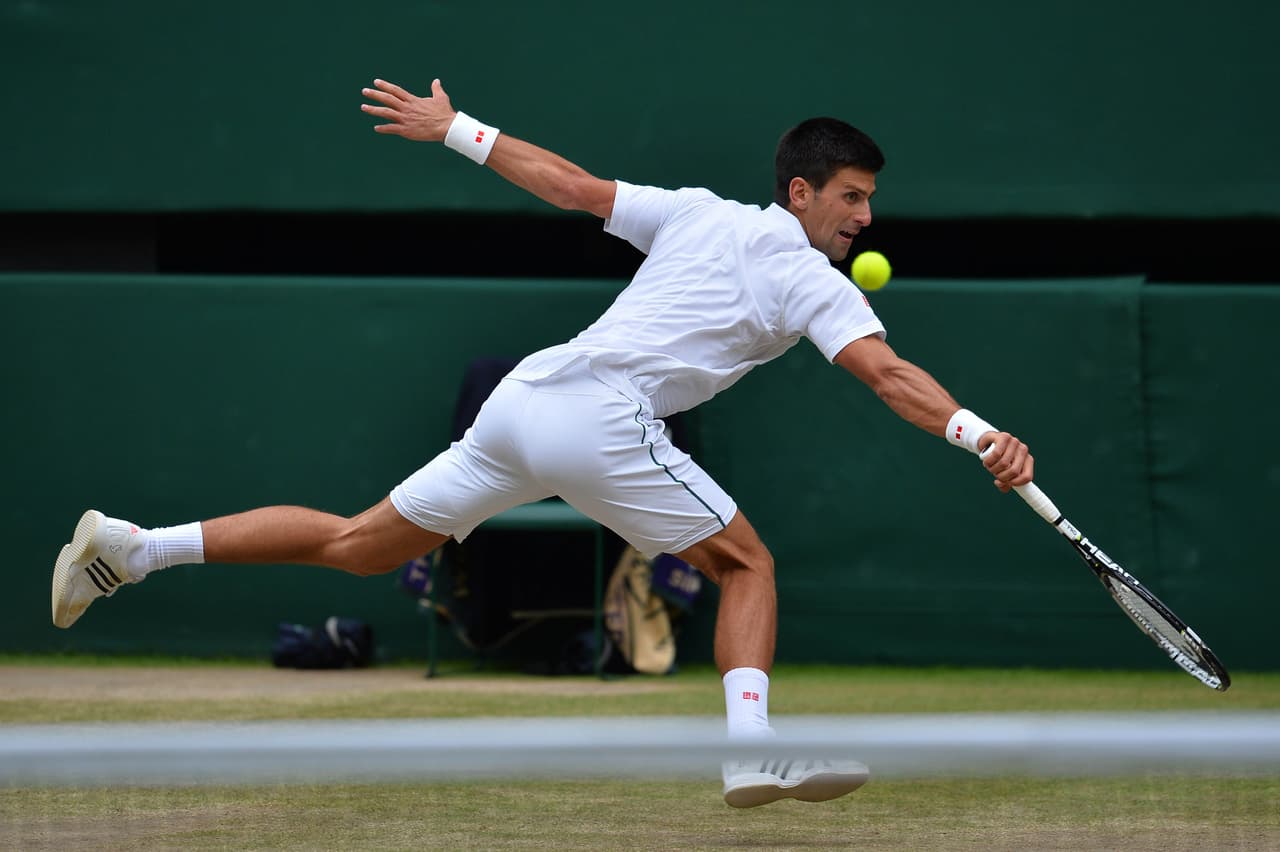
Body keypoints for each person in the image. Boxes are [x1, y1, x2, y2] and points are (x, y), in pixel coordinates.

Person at [51, 77, 1035, 808]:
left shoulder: (695, 213)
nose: (863, 217)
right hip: (600, 420)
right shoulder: (816, 280)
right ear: (800, 192)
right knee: (746, 567)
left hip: (523, 402)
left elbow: (570, 187)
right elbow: (888, 376)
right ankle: (749, 750)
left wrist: (455, 130)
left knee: (357, 546)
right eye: (851, 197)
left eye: (868, 199)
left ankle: (134, 549)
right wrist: (978, 434)